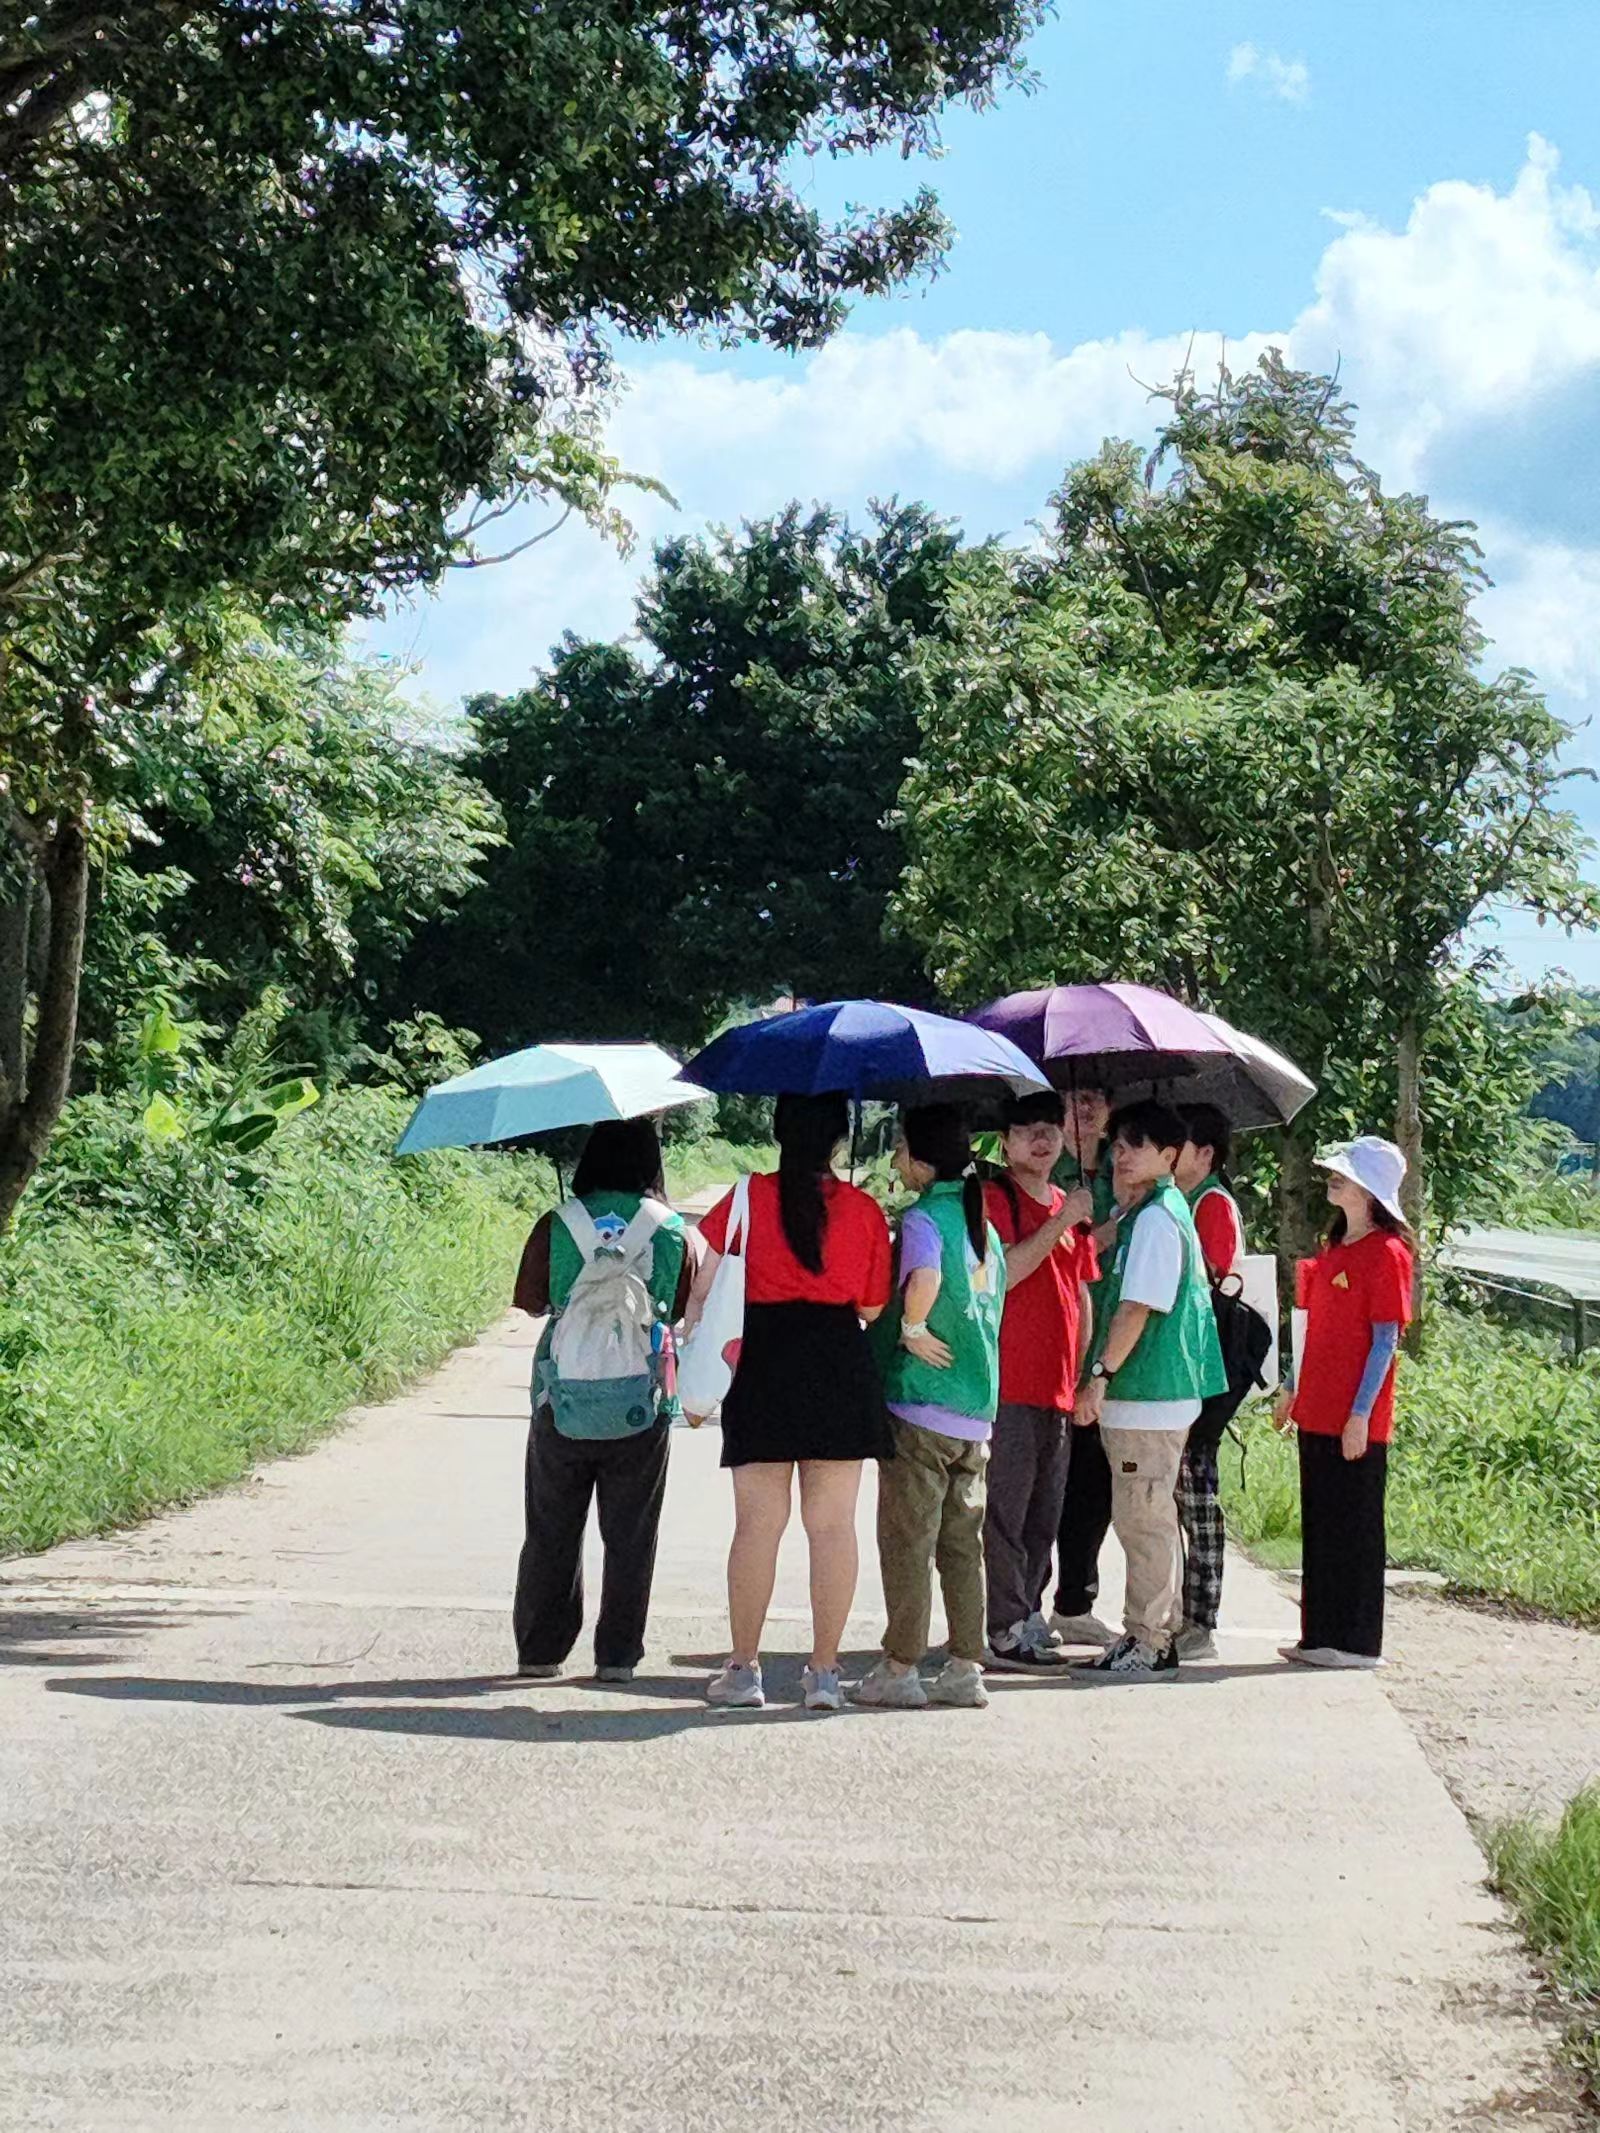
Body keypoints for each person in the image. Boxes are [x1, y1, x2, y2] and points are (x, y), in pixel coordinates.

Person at [690, 1092, 892, 1714]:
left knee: (757, 1525)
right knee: (832, 1528)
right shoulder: (862, 1210)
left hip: (764, 1362)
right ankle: (825, 1674)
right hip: (837, 1361)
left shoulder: (745, 1197)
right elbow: (871, 1307)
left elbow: (703, 1285)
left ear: (778, 1128)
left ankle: (744, 1669)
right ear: (839, 1138)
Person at [510, 1118, 690, 1684]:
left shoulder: (557, 1222)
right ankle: (617, 1656)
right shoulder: (668, 1228)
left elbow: (531, 1301)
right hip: (642, 1401)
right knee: (632, 1533)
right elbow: (678, 1308)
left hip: (560, 1399)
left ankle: (540, 1651)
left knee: (551, 1527)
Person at [855, 1106, 1005, 1712]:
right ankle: (966, 1664)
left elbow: (923, 1277)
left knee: (907, 1538)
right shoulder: (982, 1227)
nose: (895, 1162)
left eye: (898, 1150)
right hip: (975, 1407)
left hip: (921, 1404)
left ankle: (901, 1665)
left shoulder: (923, 1218)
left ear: (920, 1159)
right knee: (962, 1543)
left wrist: (911, 1327)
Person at [1074, 1099, 1227, 1681]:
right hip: (1150, 1393)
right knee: (1137, 1515)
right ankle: (1141, 1633)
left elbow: (1137, 1307)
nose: (1122, 1153)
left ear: (1169, 1156)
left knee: (1145, 1519)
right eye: (1118, 1143)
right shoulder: (1149, 1213)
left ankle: (1150, 1638)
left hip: (1149, 1393)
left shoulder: (1161, 1220)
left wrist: (1100, 1376)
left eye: (1136, 1145)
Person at [1274, 1137, 1414, 1670]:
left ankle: (1355, 1642)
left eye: (1345, 1175)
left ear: (1371, 1192)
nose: (1333, 1180)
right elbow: (1309, 1329)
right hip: (1317, 1408)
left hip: (1356, 1416)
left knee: (1353, 1527)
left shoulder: (1388, 1253)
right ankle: (1320, 1635)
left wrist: (1361, 1414)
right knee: (1321, 1523)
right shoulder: (1332, 1248)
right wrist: (1291, 1385)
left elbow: (1385, 1341)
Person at [980, 1093, 1098, 1670]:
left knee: (1045, 1513)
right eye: (1027, 1129)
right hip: (1006, 1383)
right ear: (1004, 1141)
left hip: (1058, 1385)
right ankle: (1002, 1625)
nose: (1042, 1139)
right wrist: (1061, 1221)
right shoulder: (995, 1196)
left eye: (1051, 1128)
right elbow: (1004, 1274)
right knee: (1004, 1510)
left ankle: (1029, 1611)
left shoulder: (1067, 1202)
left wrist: (1083, 1374)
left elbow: (1081, 1294)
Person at [1171, 1102, 1246, 1662]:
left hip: (1206, 1372)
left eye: (1182, 1148)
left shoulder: (1212, 1204)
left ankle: (1203, 1618)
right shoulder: (1186, 1200)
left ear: (1206, 1154)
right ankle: (1185, 1612)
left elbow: (1205, 1280)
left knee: (1198, 1496)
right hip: (1192, 1369)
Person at [1049, 1081, 1121, 1649]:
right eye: (1075, 1098)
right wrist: (1096, 1232)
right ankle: (1025, 1602)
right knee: (1051, 1484)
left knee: (1093, 1486)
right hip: (1059, 1342)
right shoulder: (1051, 1172)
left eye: (1096, 1098)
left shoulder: (1127, 1170)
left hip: (1117, 1346)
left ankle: (1077, 1599)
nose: (1086, 1109)